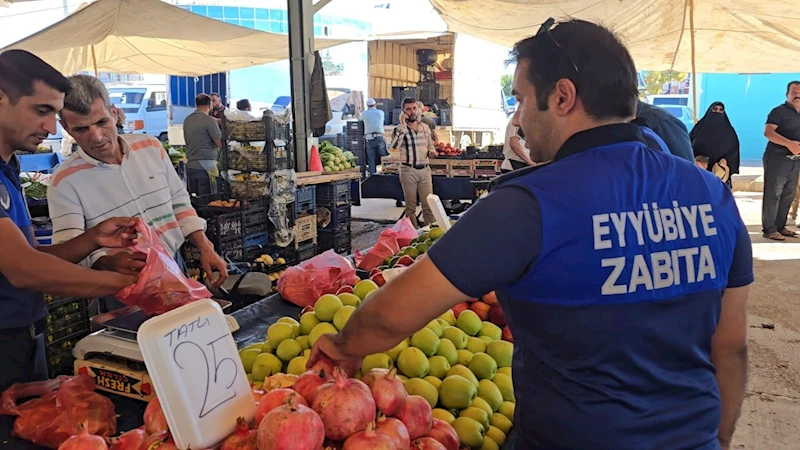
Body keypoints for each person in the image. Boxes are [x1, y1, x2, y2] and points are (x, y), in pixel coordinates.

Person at [310, 19, 752, 450]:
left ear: (562, 96)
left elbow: (392, 314)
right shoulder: (712, 194)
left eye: (521, 100)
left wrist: (344, 346)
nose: (518, 119)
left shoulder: (527, 204)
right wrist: (718, 439)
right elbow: (730, 347)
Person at [0, 50, 138, 391]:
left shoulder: (9, 169)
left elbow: (32, 255)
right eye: (41, 111)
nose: (50, 127)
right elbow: (24, 270)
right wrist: (129, 285)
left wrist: (91, 239)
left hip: (24, 333)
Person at [48, 76, 228, 309]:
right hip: (121, 288)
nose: (97, 137)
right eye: (81, 129)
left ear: (114, 113)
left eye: (102, 122)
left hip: (174, 263)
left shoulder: (151, 148)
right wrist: (105, 262)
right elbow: (68, 248)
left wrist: (205, 246)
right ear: (66, 129)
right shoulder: (64, 181)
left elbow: (178, 202)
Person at [389, 97, 437, 228]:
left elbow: (430, 144)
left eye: (414, 108)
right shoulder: (399, 130)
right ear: (403, 112)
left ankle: (429, 234)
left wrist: (432, 151)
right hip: (408, 170)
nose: (412, 112)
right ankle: (413, 235)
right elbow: (394, 146)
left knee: (428, 205)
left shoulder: (425, 127)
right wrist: (403, 125)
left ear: (418, 109)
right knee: (410, 207)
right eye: (408, 109)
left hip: (425, 171)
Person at [761, 81, 800, 241]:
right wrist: (788, 144)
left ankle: (780, 226)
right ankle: (769, 229)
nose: (797, 95)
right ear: (787, 95)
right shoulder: (779, 112)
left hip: (796, 161)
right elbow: (768, 132)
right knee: (773, 194)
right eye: (794, 92)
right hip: (777, 159)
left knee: (788, 195)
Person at [691, 101, 740, 188]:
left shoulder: (729, 131)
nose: (717, 112)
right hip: (699, 172)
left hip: (719, 173)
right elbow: (688, 145)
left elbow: (733, 149)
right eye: (715, 109)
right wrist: (697, 160)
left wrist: (726, 160)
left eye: (721, 110)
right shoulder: (699, 129)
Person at [183, 94, 222, 197]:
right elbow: (220, 144)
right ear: (210, 105)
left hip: (190, 167)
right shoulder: (209, 120)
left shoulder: (187, 120)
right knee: (209, 203)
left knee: (196, 202)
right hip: (206, 168)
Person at [359, 98, 385, 176]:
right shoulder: (381, 112)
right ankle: (386, 173)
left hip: (369, 138)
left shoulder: (364, 113)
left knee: (371, 159)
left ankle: (373, 176)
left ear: (367, 106)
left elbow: (359, 120)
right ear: (375, 104)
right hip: (379, 137)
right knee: (384, 157)